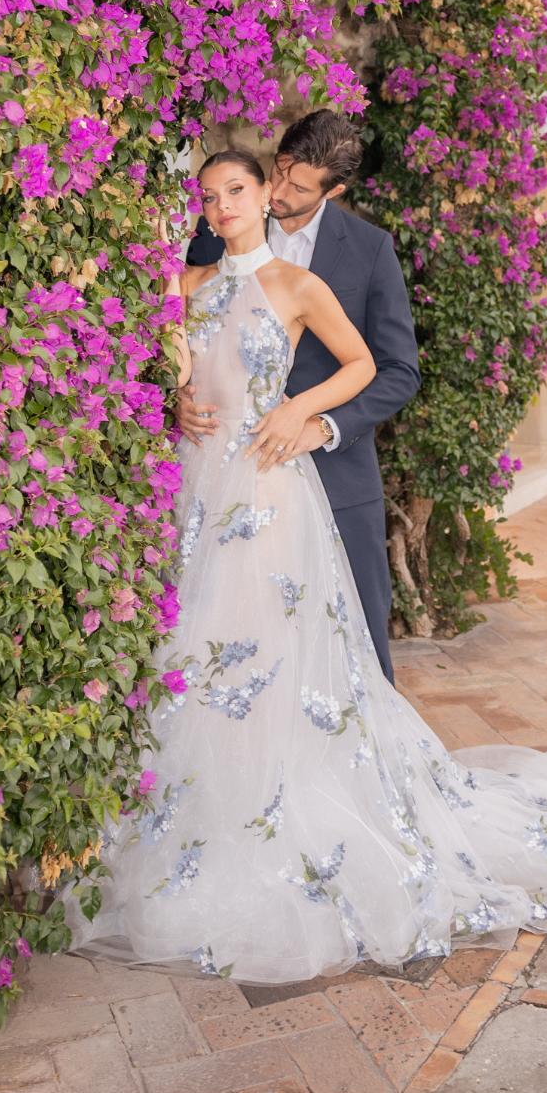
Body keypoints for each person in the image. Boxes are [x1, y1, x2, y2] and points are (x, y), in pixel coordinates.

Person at [66, 149, 547, 983]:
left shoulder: (300, 289)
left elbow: (366, 365)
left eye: (237, 190)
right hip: (195, 488)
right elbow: (169, 363)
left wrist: (301, 405)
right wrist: (175, 398)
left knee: (266, 645)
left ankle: (285, 799)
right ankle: (204, 814)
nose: (223, 206)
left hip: (268, 487)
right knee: (193, 648)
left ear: (266, 194)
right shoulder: (187, 285)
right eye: (210, 196)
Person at [181, 111, 415, 684]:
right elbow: (189, 347)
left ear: (334, 190)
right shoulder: (210, 234)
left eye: (300, 186)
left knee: (354, 652)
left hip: (334, 477)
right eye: (279, 172)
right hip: (218, 472)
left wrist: (319, 423)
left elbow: (396, 371)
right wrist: (180, 399)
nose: (281, 191)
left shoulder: (368, 249)